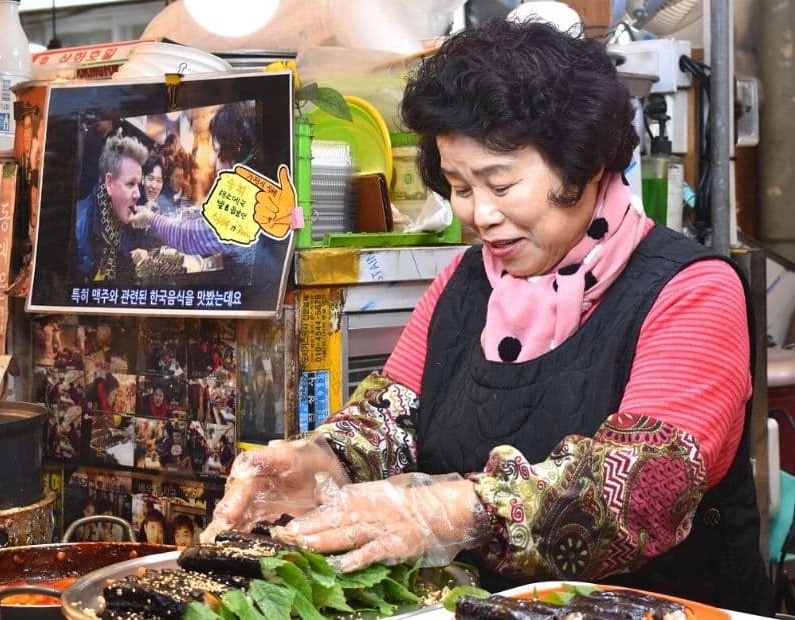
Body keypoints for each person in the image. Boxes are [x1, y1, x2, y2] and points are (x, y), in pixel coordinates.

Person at [202, 17, 772, 615]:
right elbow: (391, 422)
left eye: (500, 183)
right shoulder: (465, 282)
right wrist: (318, 463)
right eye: (459, 185)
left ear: (583, 165)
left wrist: (446, 510)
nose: (480, 215)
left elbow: (636, 494)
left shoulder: (692, 291)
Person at [73, 134, 156, 282]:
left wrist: (144, 252)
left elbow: (138, 248)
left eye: (139, 184)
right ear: (110, 183)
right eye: (130, 184)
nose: (137, 193)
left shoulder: (129, 214)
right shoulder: (77, 225)